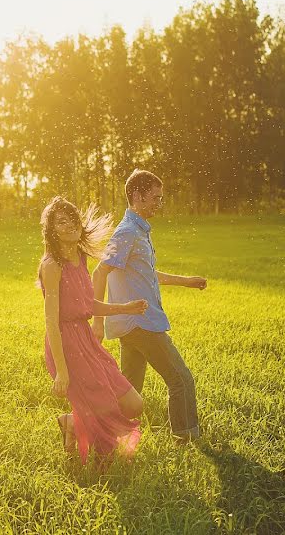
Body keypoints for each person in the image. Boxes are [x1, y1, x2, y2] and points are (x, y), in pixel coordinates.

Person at [92, 170, 208, 444]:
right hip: (140, 323)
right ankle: (186, 438)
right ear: (137, 196)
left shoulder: (138, 231)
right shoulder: (128, 232)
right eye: (155, 197)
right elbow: (99, 272)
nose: (160, 202)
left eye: (161, 197)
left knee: (129, 392)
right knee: (181, 379)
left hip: (133, 324)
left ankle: (102, 434)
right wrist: (98, 322)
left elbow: (146, 273)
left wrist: (186, 282)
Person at [38, 196, 147, 464]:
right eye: (60, 222)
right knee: (104, 407)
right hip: (65, 344)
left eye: (72, 219)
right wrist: (62, 371)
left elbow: (86, 305)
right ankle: (100, 466)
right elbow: (52, 321)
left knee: (134, 404)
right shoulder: (51, 266)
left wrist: (125, 308)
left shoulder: (80, 257)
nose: (69, 225)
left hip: (85, 339)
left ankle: (71, 423)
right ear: (51, 231)